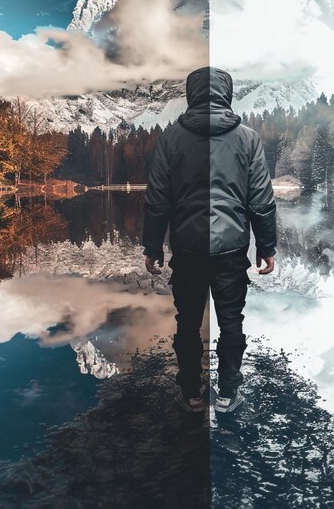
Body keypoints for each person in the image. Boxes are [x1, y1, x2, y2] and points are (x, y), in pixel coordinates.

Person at [141, 66, 277, 414]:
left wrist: (153, 247)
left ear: (192, 94)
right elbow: (261, 199)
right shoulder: (247, 138)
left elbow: (157, 199)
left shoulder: (172, 138)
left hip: (187, 248)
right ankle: (229, 392)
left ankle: (191, 392)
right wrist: (266, 247)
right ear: (226, 94)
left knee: (187, 322)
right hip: (231, 249)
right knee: (231, 320)